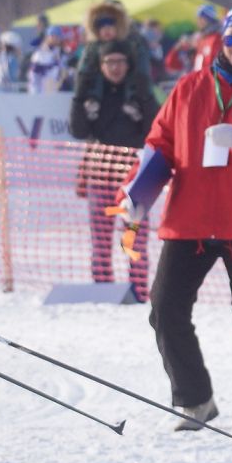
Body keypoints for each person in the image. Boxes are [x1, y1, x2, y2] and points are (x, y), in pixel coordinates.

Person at [119, 4, 232, 426]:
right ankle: (194, 398)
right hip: (190, 219)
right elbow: (159, 144)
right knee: (165, 308)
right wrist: (137, 190)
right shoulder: (189, 88)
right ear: (222, 40)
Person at [68, 43, 158, 299]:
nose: (115, 68)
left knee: (135, 237)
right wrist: (78, 97)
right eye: (110, 62)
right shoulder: (93, 96)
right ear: (101, 66)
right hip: (100, 176)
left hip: (135, 180)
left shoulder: (137, 93)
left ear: (129, 65)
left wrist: (144, 95)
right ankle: (103, 290)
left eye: (120, 62)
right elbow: (78, 131)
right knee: (101, 240)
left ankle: (139, 290)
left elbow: (154, 128)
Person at [74, 1, 152, 98]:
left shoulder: (133, 45)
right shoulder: (92, 48)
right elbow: (82, 76)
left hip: (129, 97)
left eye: (111, 23)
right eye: (101, 24)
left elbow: (142, 74)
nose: (106, 29)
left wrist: (138, 98)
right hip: (99, 100)